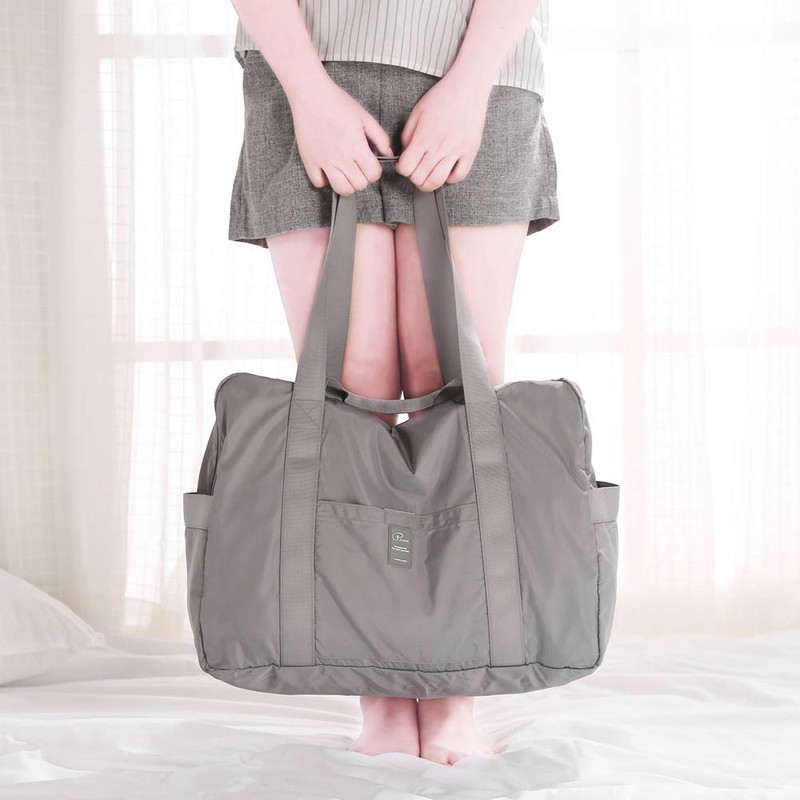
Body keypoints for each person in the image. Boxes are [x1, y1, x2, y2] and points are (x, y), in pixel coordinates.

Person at [227, 0, 558, 765]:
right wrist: (309, 93)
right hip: (304, 65)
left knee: (461, 398)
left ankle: (453, 691)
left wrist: (471, 82)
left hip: (482, 67)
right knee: (349, 397)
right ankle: (376, 687)